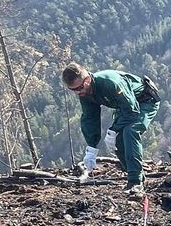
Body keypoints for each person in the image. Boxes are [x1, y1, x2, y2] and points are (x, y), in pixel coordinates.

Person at [62, 62, 161, 197]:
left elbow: (132, 110)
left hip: (145, 101)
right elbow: (90, 118)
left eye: (80, 87)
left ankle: (135, 182)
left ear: (88, 79)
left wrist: (113, 130)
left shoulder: (110, 83)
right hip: (125, 106)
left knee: (130, 131)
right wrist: (91, 148)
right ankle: (135, 175)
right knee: (117, 141)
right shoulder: (84, 94)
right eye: (73, 90)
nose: (78, 92)